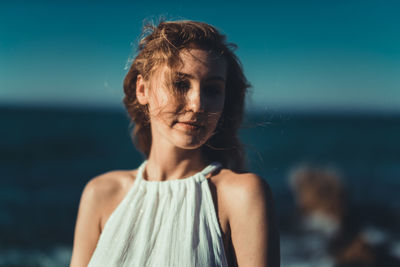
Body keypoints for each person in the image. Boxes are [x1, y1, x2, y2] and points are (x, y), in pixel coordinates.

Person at [70, 20, 280, 267]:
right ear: (142, 90)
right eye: (180, 84)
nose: (197, 104)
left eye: (212, 90)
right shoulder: (101, 193)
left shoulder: (242, 195)